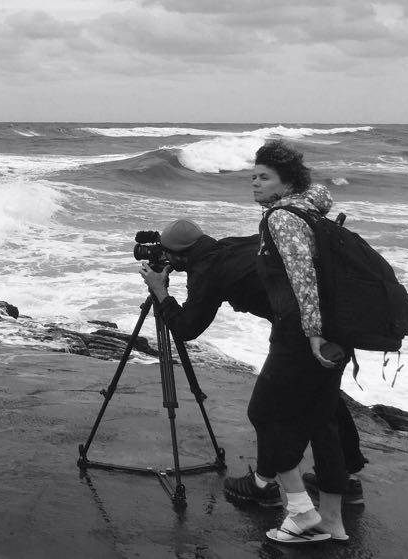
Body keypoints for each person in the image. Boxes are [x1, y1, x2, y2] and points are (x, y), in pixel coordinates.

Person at [139, 218, 366, 514]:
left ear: (180, 255)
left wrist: (161, 292)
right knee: (326, 402)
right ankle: (345, 481)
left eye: (168, 254)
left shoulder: (207, 271)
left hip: (300, 333)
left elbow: (185, 329)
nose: (165, 259)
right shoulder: (230, 246)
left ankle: (264, 486)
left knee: (267, 411)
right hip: (331, 318)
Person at [233, 139, 354, 544]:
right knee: (322, 424)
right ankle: (333, 522)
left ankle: (300, 510)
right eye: (253, 175)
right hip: (338, 331)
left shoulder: (281, 218)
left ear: (285, 183)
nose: (255, 183)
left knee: (265, 414)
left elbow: (304, 277)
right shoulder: (309, 207)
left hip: (303, 335)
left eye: (264, 177)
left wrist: (313, 334)